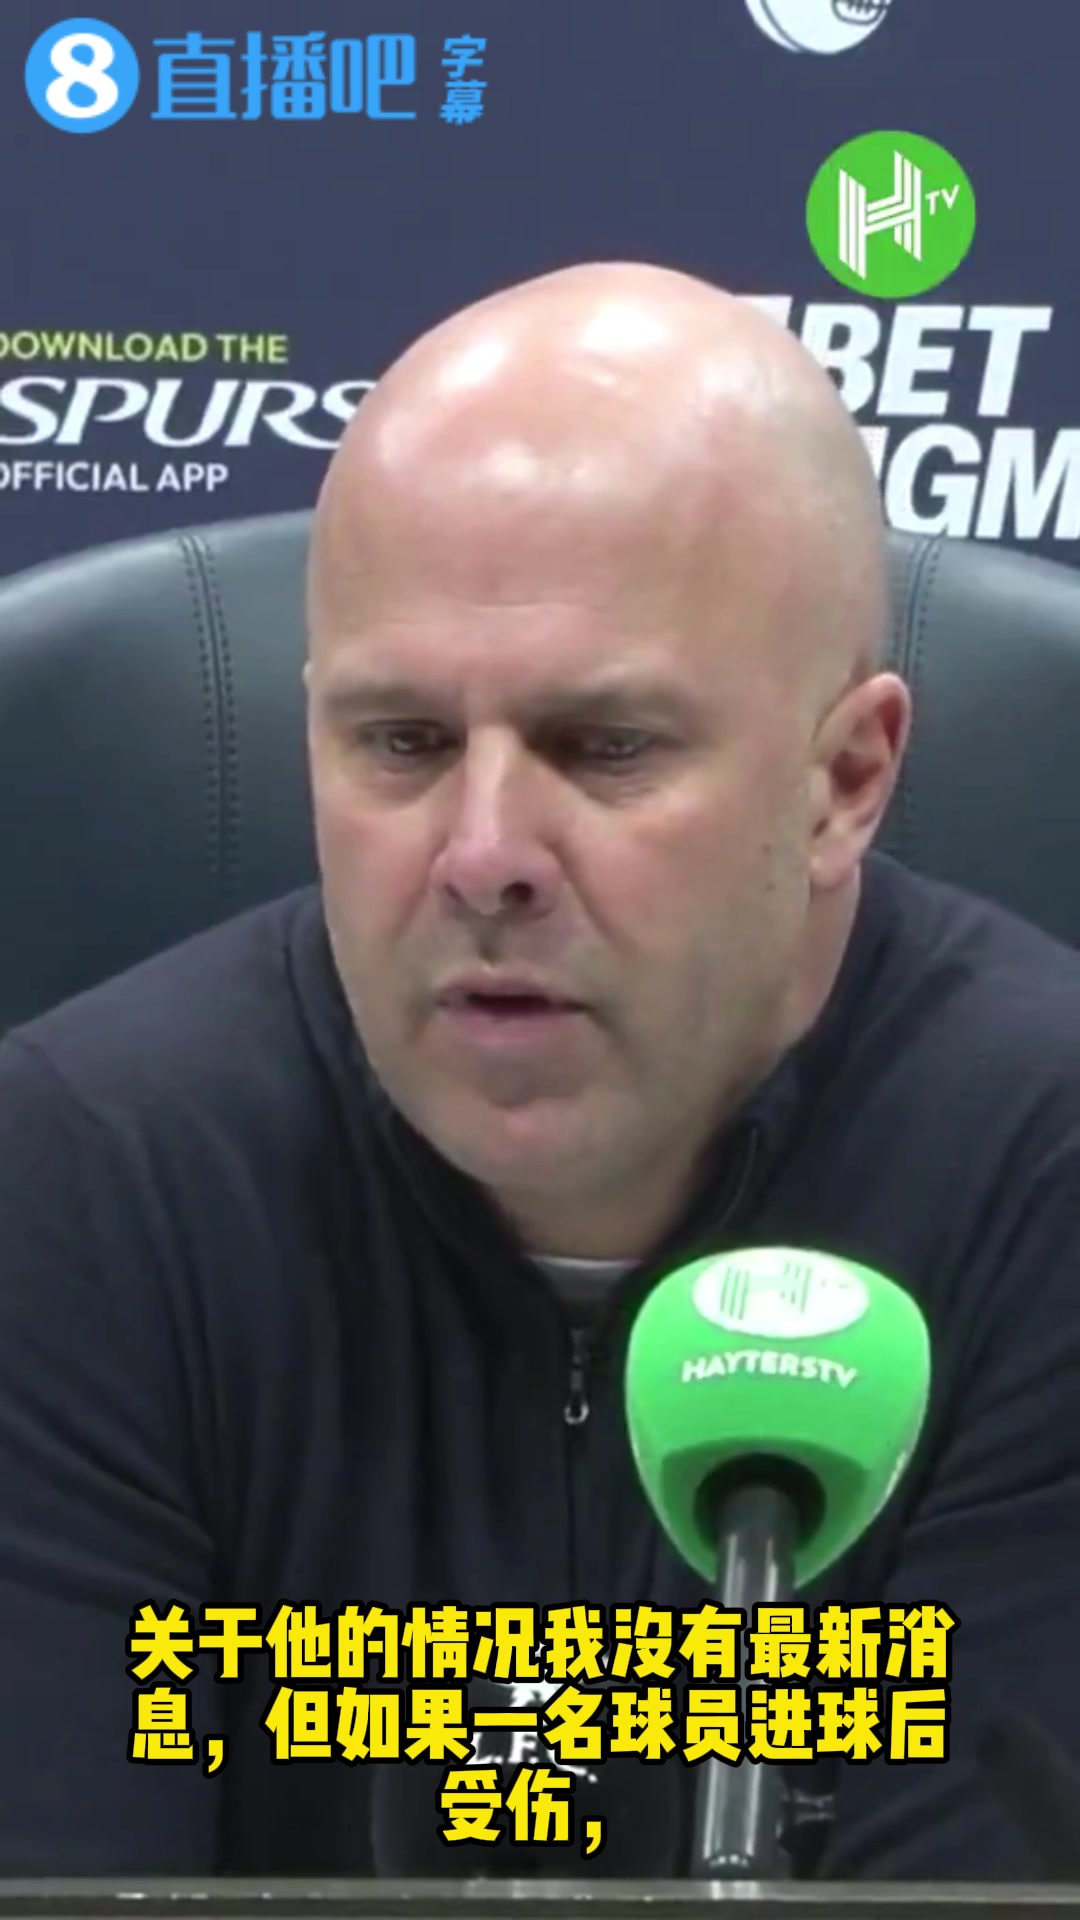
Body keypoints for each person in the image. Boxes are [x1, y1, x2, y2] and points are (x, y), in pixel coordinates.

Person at [1, 259, 1079, 1883]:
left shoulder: (1048, 1186)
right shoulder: (80, 1184)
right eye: (403, 744)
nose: (483, 854)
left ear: (845, 778)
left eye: (605, 747)